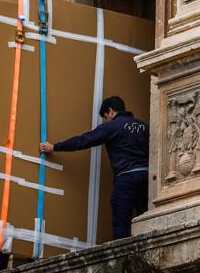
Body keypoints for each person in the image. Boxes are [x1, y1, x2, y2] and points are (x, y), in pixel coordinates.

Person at [39, 96, 149, 239]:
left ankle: (123, 260)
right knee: (144, 219)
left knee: (121, 223)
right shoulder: (144, 127)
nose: (107, 120)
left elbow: (84, 140)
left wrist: (55, 147)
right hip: (147, 178)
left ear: (110, 112)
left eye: (106, 117)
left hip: (126, 178)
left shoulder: (112, 126)